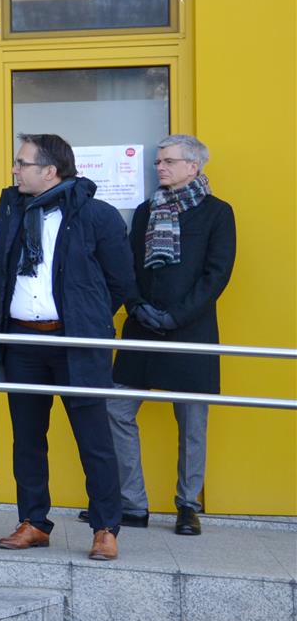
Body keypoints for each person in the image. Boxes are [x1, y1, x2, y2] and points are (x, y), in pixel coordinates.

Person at [0, 133, 139, 562]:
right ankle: (34, 523)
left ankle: (105, 528)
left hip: (75, 342)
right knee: (27, 438)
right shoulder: (11, 211)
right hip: (22, 341)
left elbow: (120, 283)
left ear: (50, 170)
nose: (14, 170)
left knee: (93, 439)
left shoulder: (96, 215)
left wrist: (87, 317)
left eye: (22, 163)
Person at [96, 134, 235, 537]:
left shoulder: (217, 213)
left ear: (194, 167)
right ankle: (133, 504)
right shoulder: (145, 211)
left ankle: (188, 506)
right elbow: (127, 266)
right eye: (159, 161)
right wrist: (136, 305)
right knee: (116, 409)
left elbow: (217, 274)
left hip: (190, 331)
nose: (160, 168)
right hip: (142, 326)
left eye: (169, 162)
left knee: (191, 421)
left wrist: (176, 316)